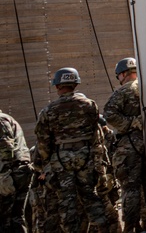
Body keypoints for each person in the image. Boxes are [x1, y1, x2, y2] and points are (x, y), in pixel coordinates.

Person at [33, 68, 114, 233]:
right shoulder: (90, 105)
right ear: (75, 84)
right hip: (86, 158)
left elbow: (43, 142)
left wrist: (46, 163)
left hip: (61, 162)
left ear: (57, 86)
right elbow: (96, 134)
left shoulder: (48, 110)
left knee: (67, 202)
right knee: (90, 197)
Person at [104, 58, 146, 233]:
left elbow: (109, 114)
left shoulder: (123, 91)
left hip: (129, 146)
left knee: (131, 188)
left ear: (123, 74)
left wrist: (131, 123)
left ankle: (132, 227)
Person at [1, 108, 31, 233]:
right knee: (17, 217)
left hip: (10, 174)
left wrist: (3, 177)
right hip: (18, 171)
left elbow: (6, 150)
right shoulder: (6, 118)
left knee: (5, 220)